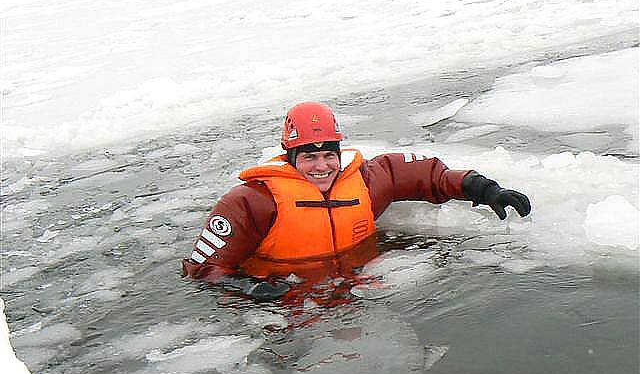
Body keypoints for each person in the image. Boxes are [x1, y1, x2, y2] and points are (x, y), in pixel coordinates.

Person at [182, 101, 531, 299]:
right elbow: (203, 269)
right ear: (289, 157)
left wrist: (481, 188)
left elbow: (424, 174)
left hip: (360, 289)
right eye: (309, 157)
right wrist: (253, 291)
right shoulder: (252, 201)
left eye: (328, 154)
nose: (322, 167)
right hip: (289, 302)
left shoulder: (363, 181)